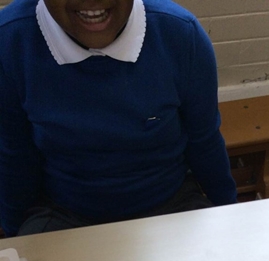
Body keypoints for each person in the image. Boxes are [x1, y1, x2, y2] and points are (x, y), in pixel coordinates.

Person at [0, 0, 237, 236]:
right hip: (63, 212)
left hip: (170, 202)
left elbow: (204, 142)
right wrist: (13, 241)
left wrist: (231, 220)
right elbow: (15, 155)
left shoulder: (180, 33)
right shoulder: (10, 39)